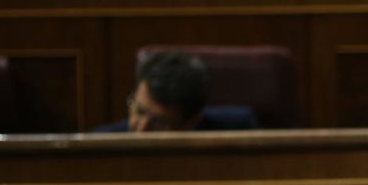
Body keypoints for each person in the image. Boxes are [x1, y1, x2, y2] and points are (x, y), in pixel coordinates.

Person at [92, 50, 259, 132]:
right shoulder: (99, 144)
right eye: (139, 111)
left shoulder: (239, 129)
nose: (141, 128)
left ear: (190, 122)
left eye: (158, 121)